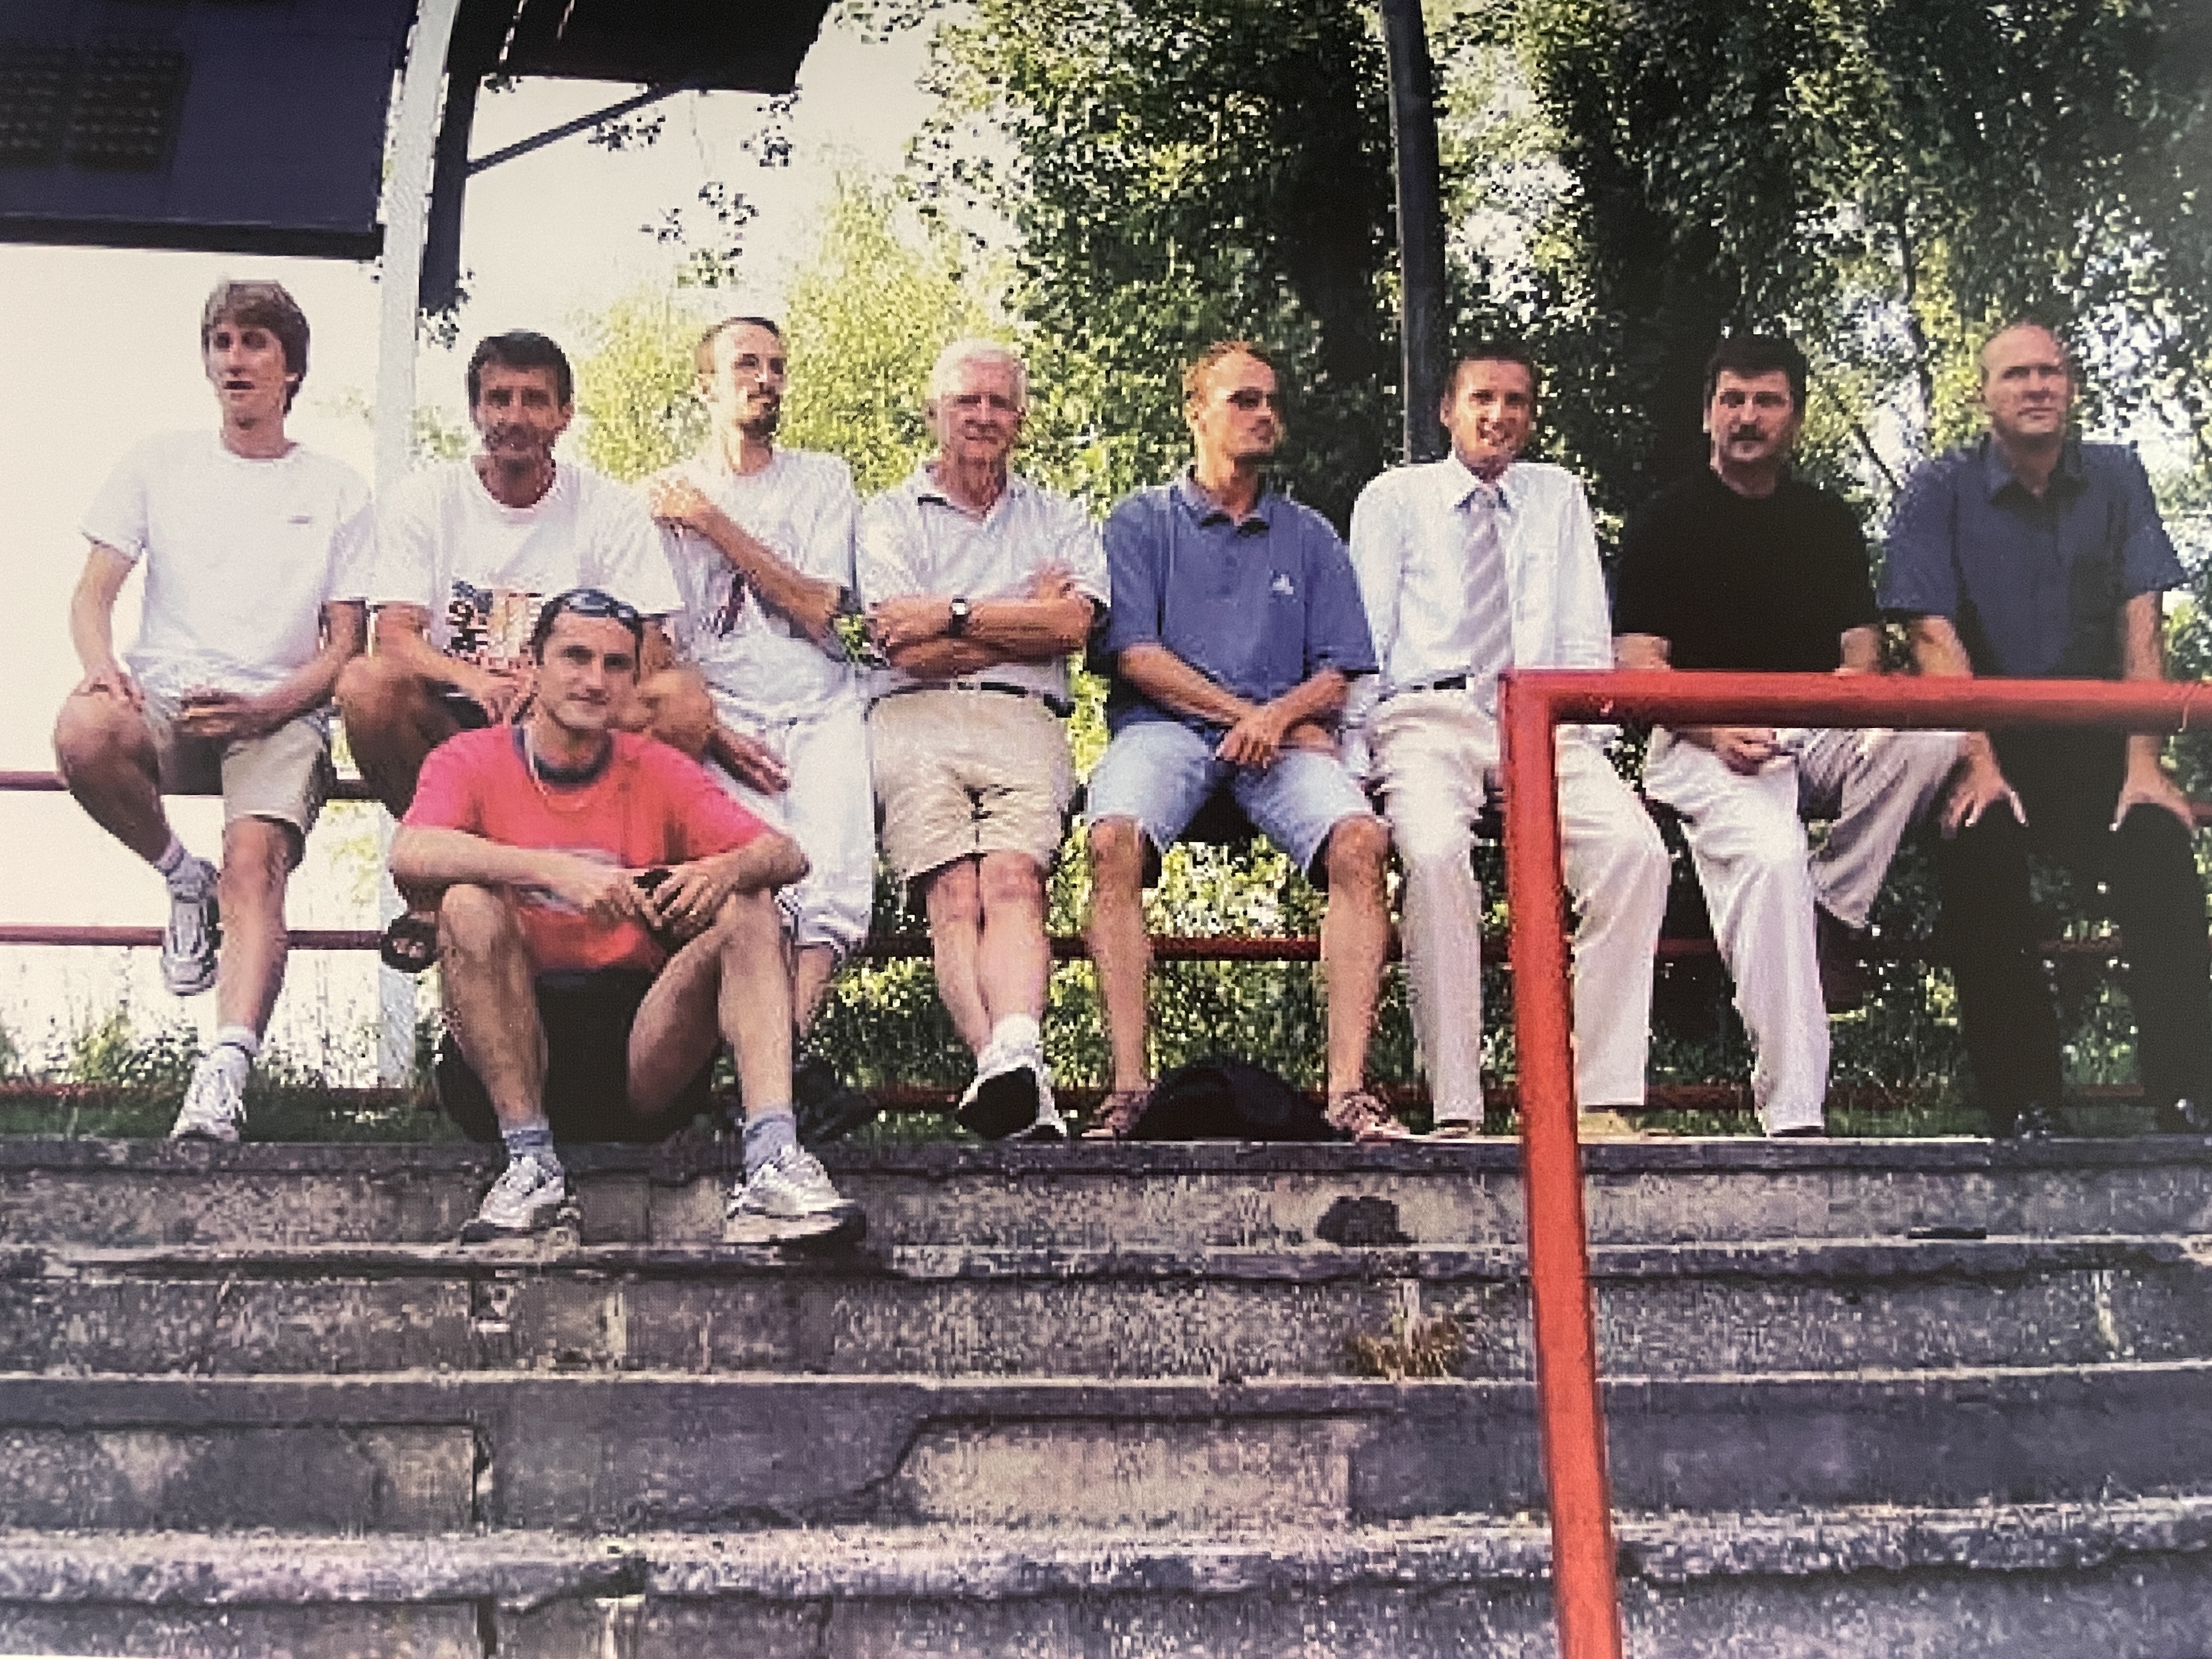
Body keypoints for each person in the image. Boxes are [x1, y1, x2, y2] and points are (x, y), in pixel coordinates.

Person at [388, 588, 862, 1246]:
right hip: (512, 1041)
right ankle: (530, 1166)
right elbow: (411, 853)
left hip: (642, 1048)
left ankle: (772, 1162)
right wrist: (554, 871)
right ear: (534, 665)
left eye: (615, 665)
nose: (594, 680)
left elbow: (785, 854)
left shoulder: (656, 767)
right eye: (575, 657)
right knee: (467, 902)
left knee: (749, 900)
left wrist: (720, 872)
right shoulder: (470, 760)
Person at [1614, 333, 1959, 1137]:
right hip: (1699, 742)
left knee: (1936, 733)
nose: (1748, 416)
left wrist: (1838, 702)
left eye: (1767, 401)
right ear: (1707, 414)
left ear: (1795, 418)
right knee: (1773, 857)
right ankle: (1796, 1118)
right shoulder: (1665, 521)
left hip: (1814, 732)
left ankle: (1832, 908)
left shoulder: (1825, 521)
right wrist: (1715, 727)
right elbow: (1637, 667)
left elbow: (1862, 656)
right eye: (1732, 399)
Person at [52, 279, 370, 1142]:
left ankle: (222, 1077)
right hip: (167, 692)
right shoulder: (156, 461)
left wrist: (265, 709)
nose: (235, 358)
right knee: (82, 728)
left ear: (291, 368)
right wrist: (102, 668)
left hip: (279, 706)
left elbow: (346, 649)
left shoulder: (338, 488)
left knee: (254, 865)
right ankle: (177, 878)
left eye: (255, 342)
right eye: (222, 342)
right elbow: (91, 595)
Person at [1882, 320, 2212, 1139]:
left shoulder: (2117, 475)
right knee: (1981, 847)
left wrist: (2145, 762)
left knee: (2160, 847)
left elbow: (2144, 624)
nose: (2037, 386)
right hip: (1984, 740)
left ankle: (2191, 1099)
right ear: (1983, 395)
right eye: (2017, 374)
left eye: (2051, 372)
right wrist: (1979, 763)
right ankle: (2025, 1107)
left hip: (2099, 742)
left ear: (2070, 387)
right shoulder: (1939, 488)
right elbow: (1930, 634)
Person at [1346, 342, 1670, 1140]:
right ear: (1447, 411)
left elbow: (1585, 630)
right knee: (1432, 857)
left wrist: (1587, 744)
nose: (1499, 416)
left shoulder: (1557, 496)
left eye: (1516, 401)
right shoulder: (1395, 498)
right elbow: (1365, 638)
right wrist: (1355, 756)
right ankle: (1458, 1107)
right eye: (1482, 399)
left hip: (1542, 716)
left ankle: (1600, 1101)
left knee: (1635, 853)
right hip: (1428, 715)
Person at [1083, 341, 1400, 1142]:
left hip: (1281, 741)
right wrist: (1248, 716)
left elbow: (1340, 671)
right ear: (1196, 413)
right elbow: (1136, 657)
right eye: (1244, 400)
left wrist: (1279, 719)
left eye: (1271, 402)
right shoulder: (1142, 522)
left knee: (1362, 843)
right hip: (1166, 729)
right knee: (1112, 842)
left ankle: (1348, 1092)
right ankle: (1129, 1090)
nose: (1264, 414)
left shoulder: (1309, 535)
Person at [336, 330, 698, 972]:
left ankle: (626, 879)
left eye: (534, 400)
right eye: (499, 398)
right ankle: (445, 881)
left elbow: (652, 642)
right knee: (366, 686)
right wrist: (475, 680)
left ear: (564, 414)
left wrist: (560, 697)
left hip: (574, 725)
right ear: (476, 410)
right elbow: (393, 636)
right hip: (457, 725)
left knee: (682, 702)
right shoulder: (428, 499)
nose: (514, 416)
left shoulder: (607, 507)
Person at [855, 340, 1107, 1141]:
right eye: (968, 401)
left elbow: (1073, 627)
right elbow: (904, 648)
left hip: (1022, 718)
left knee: (1014, 882)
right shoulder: (888, 517)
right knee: (952, 894)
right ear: (936, 412)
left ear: (1021, 418)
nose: (984, 416)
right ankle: (1010, 1072)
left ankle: (1012, 1064)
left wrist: (953, 613)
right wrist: (1020, 620)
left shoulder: (1059, 517)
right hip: (912, 714)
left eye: (1000, 402)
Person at [644, 315, 876, 1136]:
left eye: (777, 366)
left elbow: (817, 605)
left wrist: (712, 522)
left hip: (820, 700)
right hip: (724, 713)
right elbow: (656, 646)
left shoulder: (821, 481)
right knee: (749, 893)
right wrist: (710, 732)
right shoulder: (657, 496)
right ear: (705, 384)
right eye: (747, 364)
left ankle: (785, 1061)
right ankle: (769, 1084)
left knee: (835, 890)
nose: (766, 379)